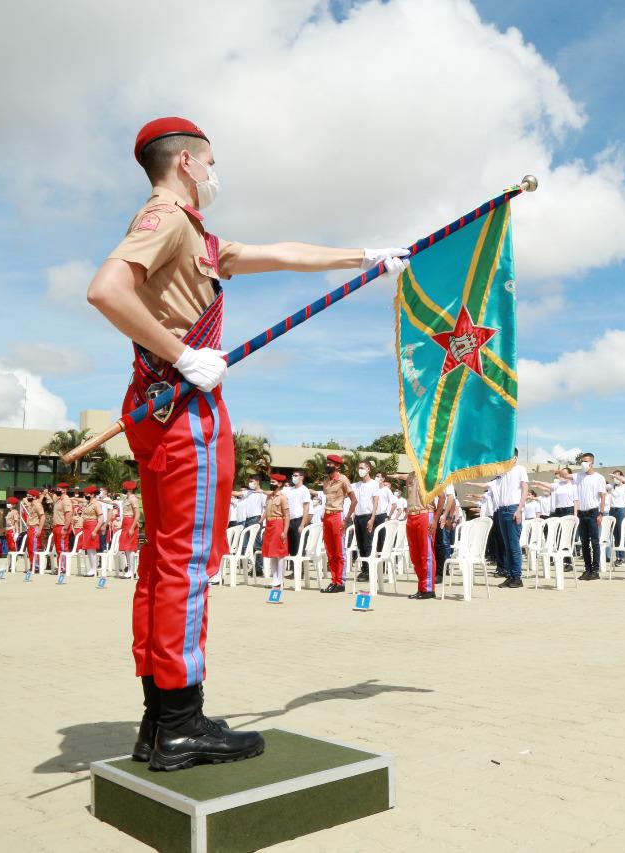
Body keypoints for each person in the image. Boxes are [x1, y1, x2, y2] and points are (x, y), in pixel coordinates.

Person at [85, 118, 408, 771]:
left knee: (160, 562)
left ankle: (160, 715)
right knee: (185, 564)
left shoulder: (195, 235)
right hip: (183, 405)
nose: (215, 173)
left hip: (160, 402)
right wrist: (183, 353)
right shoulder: (167, 218)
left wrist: (364, 257)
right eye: (210, 161)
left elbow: (281, 252)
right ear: (184, 163)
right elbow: (105, 289)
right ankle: (180, 723)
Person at [319, 454, 355, 593]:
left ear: (338, 466)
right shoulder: (326, 481)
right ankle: (334, 580)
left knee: (339, 551)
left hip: (337, 516)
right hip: (327, 516)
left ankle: (341, 581)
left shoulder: (343, 480)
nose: (328, 465)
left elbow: (354, 500)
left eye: (330, 463)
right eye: (327, 462)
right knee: (330, 550)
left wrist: (346, 519)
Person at [492, 449, 528, 588]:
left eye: (511, 456)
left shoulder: (520, 469)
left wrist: (519, 510)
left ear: (516, 457)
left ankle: (517, 577)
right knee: (506, 546)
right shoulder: (501, 472)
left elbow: (525, 490)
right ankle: (510, 575)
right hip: (501, 510)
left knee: (513, 546)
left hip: (513, 509)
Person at [401, 473, 438, 599]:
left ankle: (428, 589)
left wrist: (435, 520)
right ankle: (421, 587)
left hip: (425, 514)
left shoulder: (430, 473)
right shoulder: (410, 476)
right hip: (411, 515)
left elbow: (442, 497)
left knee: (426, 553)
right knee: (415, 555)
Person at [573, 452, 608, 580]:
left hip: (593, 513)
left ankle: (595, 570)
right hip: (582, 513)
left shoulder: (599, 478)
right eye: (582, 461)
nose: (583, 463)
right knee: (584, 543)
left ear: (592, 463)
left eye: (586, 461)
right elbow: (567, 476)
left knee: (595, 542)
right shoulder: (578, 476)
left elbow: (603, 496)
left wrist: (601, 513)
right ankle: (587, 569)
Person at [259, 474, 289, 588]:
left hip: (278, 524)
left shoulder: (282, 497)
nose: (271, 484)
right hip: (269, 524)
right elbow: (266, 511)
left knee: (279, 553)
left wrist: (285, 531)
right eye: (270, 482)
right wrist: (261, 521)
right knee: (271, 553)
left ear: (280, 484)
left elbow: (287, 515)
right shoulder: (269, 497)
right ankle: (274, 577)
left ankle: (280, 579)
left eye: (273, 482)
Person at [351, 461, 380, 577]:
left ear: (368, 469)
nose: (360, 470)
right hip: (357, 517)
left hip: (368, 516)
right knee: (360, 544)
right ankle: (364, 570)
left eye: (362, 468)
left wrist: (372, 518)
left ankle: (370, 570)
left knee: (368, 544)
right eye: (359, 468)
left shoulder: (374, 484)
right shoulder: (356, 485)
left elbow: (375, 501)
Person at [606, 471, 625, 566]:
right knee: (615, 534)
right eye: (613, 476)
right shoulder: (611, 486)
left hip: (621, 511)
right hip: (612, 510)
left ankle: (623, 557)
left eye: (617, 476)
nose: (615, 478)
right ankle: (618, 557)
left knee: (622, 534)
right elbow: (603, 485)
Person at [119, 481, 142, 577]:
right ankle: (129, 569)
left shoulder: (133, 499)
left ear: (128, 489)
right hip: (125, 522)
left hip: (130, 522)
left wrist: (132, 527)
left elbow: (137, 514)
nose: (122, 489)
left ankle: (131, 570)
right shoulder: (126, 498)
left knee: (130, 548)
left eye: (124, 487)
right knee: (126, 548)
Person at [23, 489, 44, 568]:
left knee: (34, 548)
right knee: (30, 548)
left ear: (35, 497)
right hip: (30, 528)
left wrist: (39, 529)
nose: (28, 497)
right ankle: (33, 564)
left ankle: (36, 566)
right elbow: (24, 500)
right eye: (28, 496)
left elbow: (42, 517)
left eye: (30, 496)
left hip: (35, 527)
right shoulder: (31, 504)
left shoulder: (37, 505)